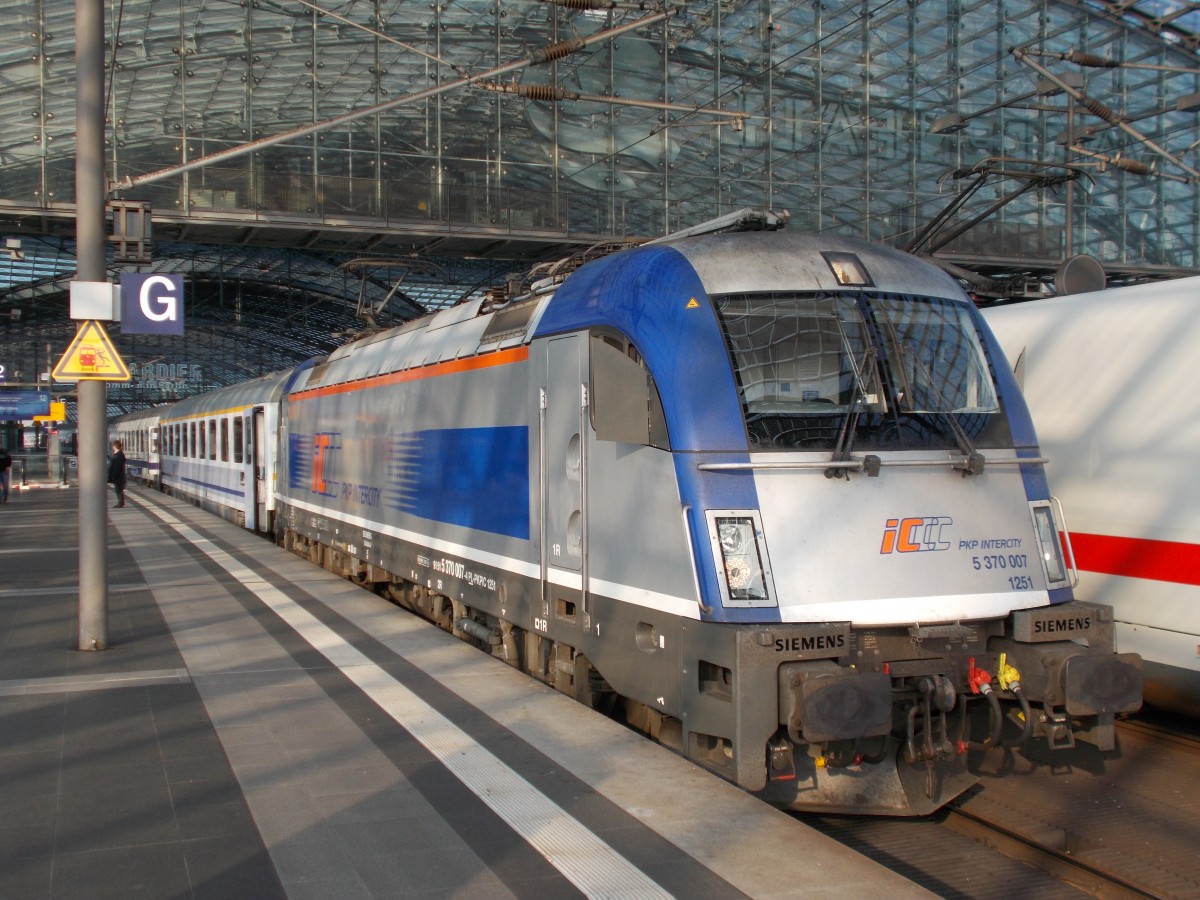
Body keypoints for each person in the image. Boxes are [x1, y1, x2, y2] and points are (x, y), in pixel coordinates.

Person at [107, 440, 127, 508]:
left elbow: (116, 467)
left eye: (113, 446)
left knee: (118, 489)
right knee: (118, 489)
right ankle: (120, 502)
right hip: (119, 476)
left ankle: (120, 503)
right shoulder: (118, 454)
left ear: (115, 446)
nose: (112, 447)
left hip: (118, 476)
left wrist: (113, 476)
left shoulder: (118, 455)